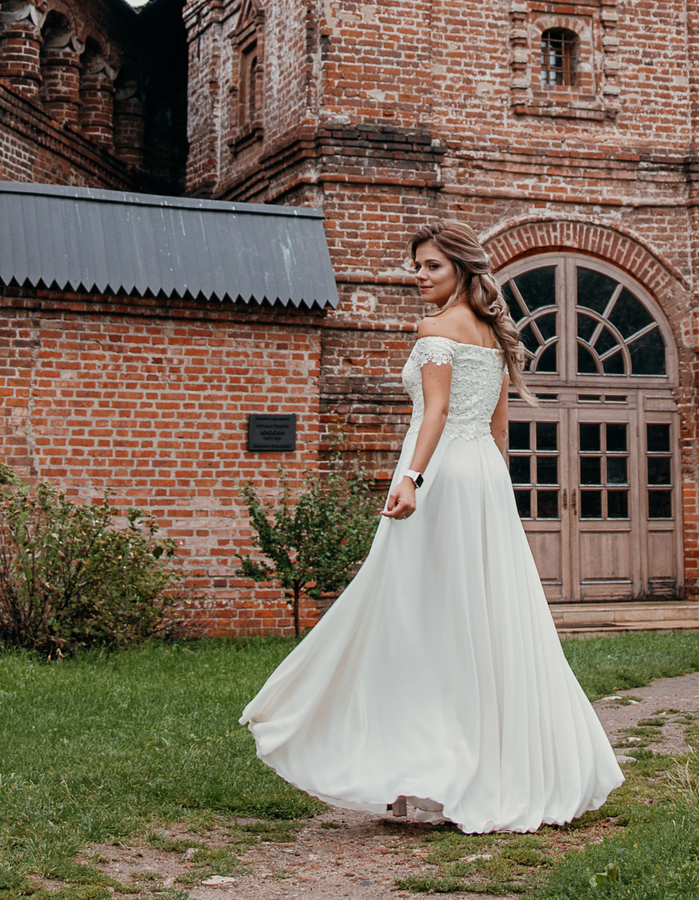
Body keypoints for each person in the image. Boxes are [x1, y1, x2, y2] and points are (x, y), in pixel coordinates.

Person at [239, 221, 624, 834]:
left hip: (439, 474)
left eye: (431, 267)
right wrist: (498, 499)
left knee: (412, 615)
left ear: (463, 270)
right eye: (417, 266)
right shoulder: (498, 336)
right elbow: (501, 432)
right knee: (480, 618)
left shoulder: (436, 329)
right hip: (485, 483)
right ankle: (454, 770)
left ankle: (404, 771)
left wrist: (413, 478)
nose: (418, 276)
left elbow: (437, 410)